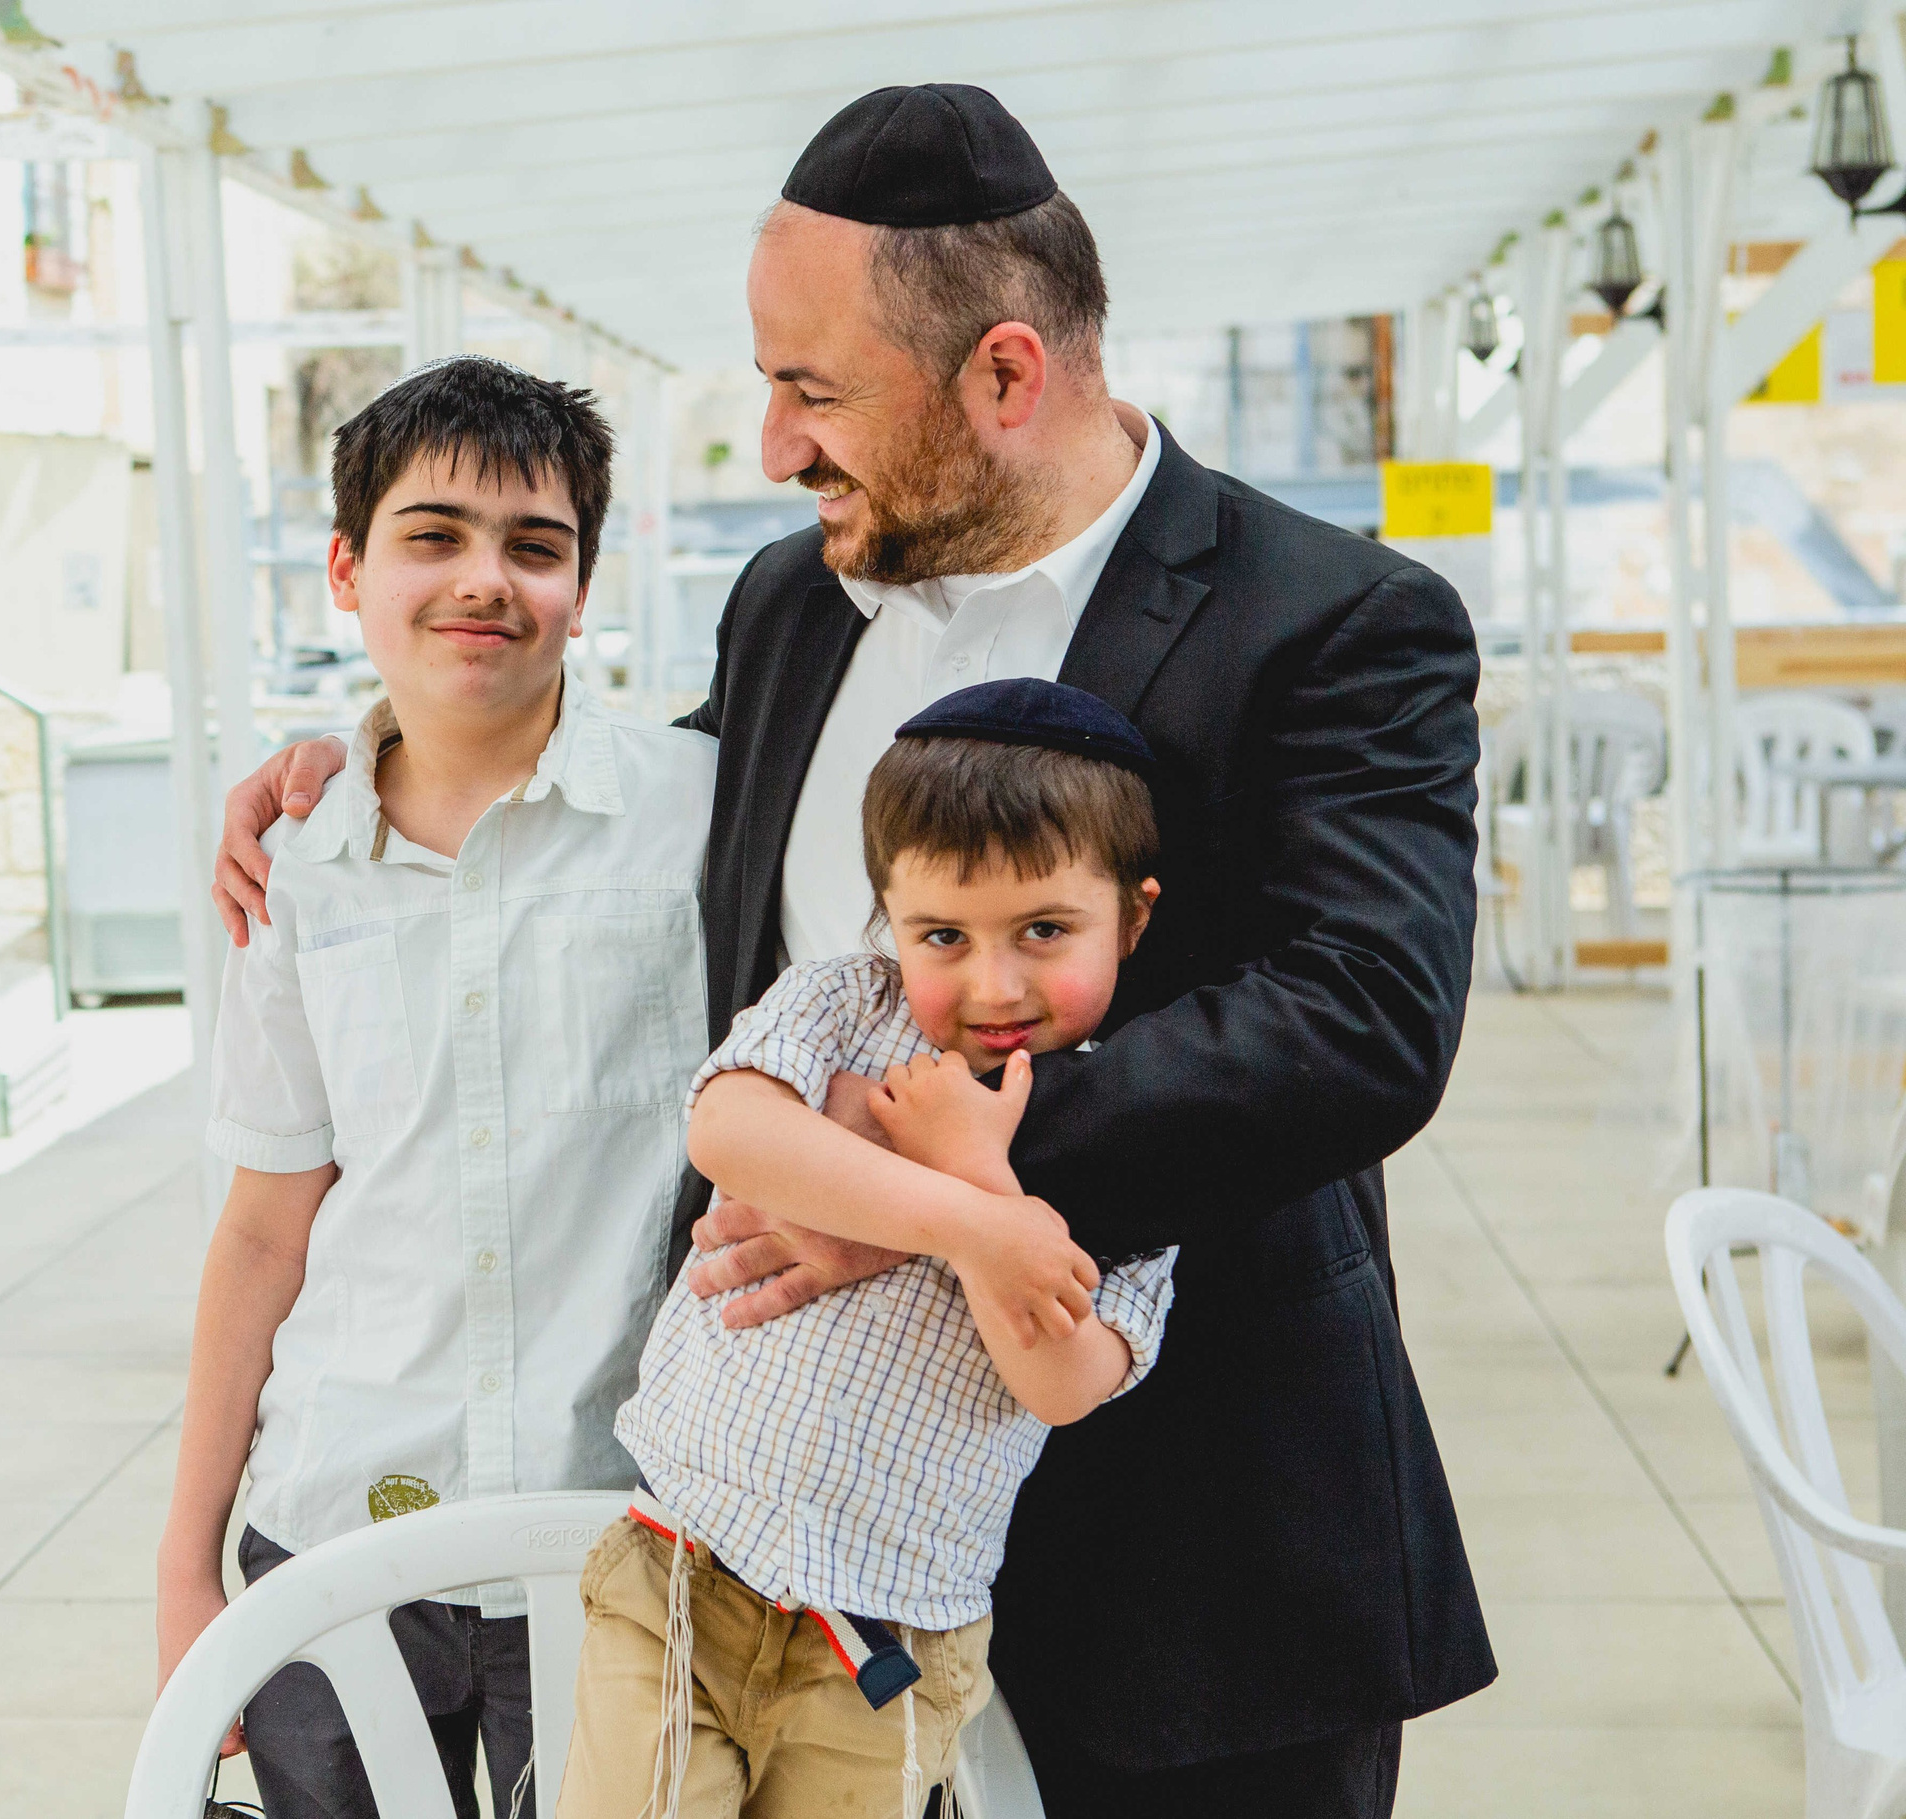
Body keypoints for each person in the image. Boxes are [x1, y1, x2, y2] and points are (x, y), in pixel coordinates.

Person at [216, 84, 1494, 1818]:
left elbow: (1364, 1015)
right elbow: (638, 801)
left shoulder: (1333, 616)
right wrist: (363, 763)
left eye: (812, 391)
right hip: (782, 1563)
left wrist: (906, 1187)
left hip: (1187, 1541)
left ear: (1006, 376)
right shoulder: (792, 596)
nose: (773, 444)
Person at [155, 357, 726, 1819]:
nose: (485, 578)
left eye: (535, 545)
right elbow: (266, 1226)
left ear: (582, 588)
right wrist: (183, 1566)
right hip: (337, 1525)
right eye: (433, 535)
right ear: (348, 569)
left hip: (624, 1530)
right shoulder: (292, 861)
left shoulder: (701, 817)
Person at [558, 679, 1179, 1819]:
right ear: (887, 916)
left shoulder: (1133, 1126)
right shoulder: (848, 1001)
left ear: (1133, 918)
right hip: (686, 1565)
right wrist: (969, 1221)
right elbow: (727, 1127)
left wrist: (987, 1173)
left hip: (893, 1632)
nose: (994, 983)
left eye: (1044, 930)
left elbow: (1064, 1381)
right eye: (943, 935)